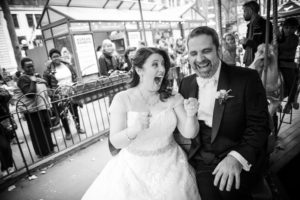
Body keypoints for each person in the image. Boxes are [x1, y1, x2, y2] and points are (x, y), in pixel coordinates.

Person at [81, 47, 201, 200]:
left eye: (163, 64)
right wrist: (135, 129)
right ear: (139, 70)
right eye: (155, 64)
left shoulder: (173, 98)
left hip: (172, 167)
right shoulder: (122, 99)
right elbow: (116, 142)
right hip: (132, 171)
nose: (162, 69)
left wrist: (191, 115)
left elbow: (189, 133)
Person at [177, 26, 270, 200]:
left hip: (239, 153)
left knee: (229, 192)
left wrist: (236, 158)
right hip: (203, 158)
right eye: (193, 53)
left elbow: (260, 126)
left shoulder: (246, 78)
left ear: (218, 50)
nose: (200, 58)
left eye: (206, 51)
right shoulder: (186, 84)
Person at [43, 48, 85, 140]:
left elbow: (74, 76)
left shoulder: (67, 65)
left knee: (75, 112)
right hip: (59, 96)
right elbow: (46, 84)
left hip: (71, 92)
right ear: (50, 58)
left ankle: (78, 128)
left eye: (58, 56)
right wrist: (52, 93)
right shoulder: (48, 70)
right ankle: (68, 132)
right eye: (54, 57)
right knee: (63, 114)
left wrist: (76, 84)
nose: (56, 58)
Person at [17, 58, 54, 157]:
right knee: (37, 131)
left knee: (45, 128)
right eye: (28, 67)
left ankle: (49, 147)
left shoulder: (35, 76)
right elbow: (30, 94)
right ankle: (42, 152)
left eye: (32, 66)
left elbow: (44, 88)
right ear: (23, 68)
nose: (31, 68)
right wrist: (33, 81)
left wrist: (41, 81)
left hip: (42, 107)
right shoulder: (22, 79)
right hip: (32, 110)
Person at [241, 1, 273, 67]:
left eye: (244, 11)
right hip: (249, 61)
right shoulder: (250, 25)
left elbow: (266, 45)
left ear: (250, 11)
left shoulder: (265, 24)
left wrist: (247, 42)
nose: (243, 14)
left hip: (260, 62)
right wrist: (244, 43)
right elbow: (247, 46)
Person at [278, 17, 299, 112]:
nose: (288, 30)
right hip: (277, 63)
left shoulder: (294, 38)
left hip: (287, 64)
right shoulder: (279, 37)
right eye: (286, 27)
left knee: (291, 83)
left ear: (295, 29)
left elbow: (286, 46)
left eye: (291, 28)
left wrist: (275, 44)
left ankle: (290, 102)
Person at [0, 86, 15, 176]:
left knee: (6, 146)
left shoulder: (2, 91)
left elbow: (8, 96)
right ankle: (5, 167)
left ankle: (9, 165)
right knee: (2, 146)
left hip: (4, 122)